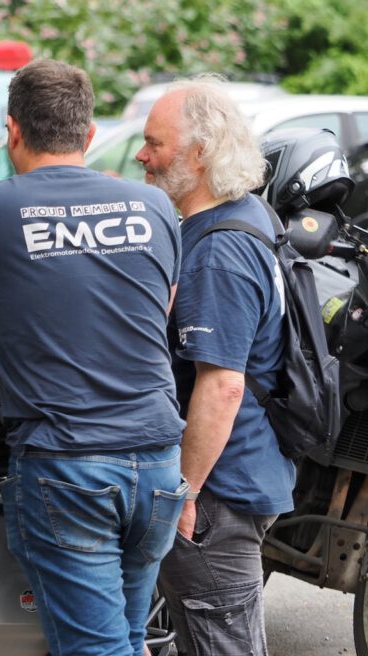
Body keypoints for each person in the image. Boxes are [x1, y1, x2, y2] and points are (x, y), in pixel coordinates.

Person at [0, 59, 187, 656]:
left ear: (12, 131)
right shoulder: (155, 207)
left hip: (70, 466)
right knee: (130, 641)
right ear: (89, 136)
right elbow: (156, 306)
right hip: (160, 461)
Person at [136, 78, 294, 655]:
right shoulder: (239, 214)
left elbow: (224, 385)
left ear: (199, 153)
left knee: (224, 644)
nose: (142, 154)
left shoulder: (220, 251)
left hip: (217, 495)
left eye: (155, 142)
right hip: (235, 479)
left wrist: (183, 492)